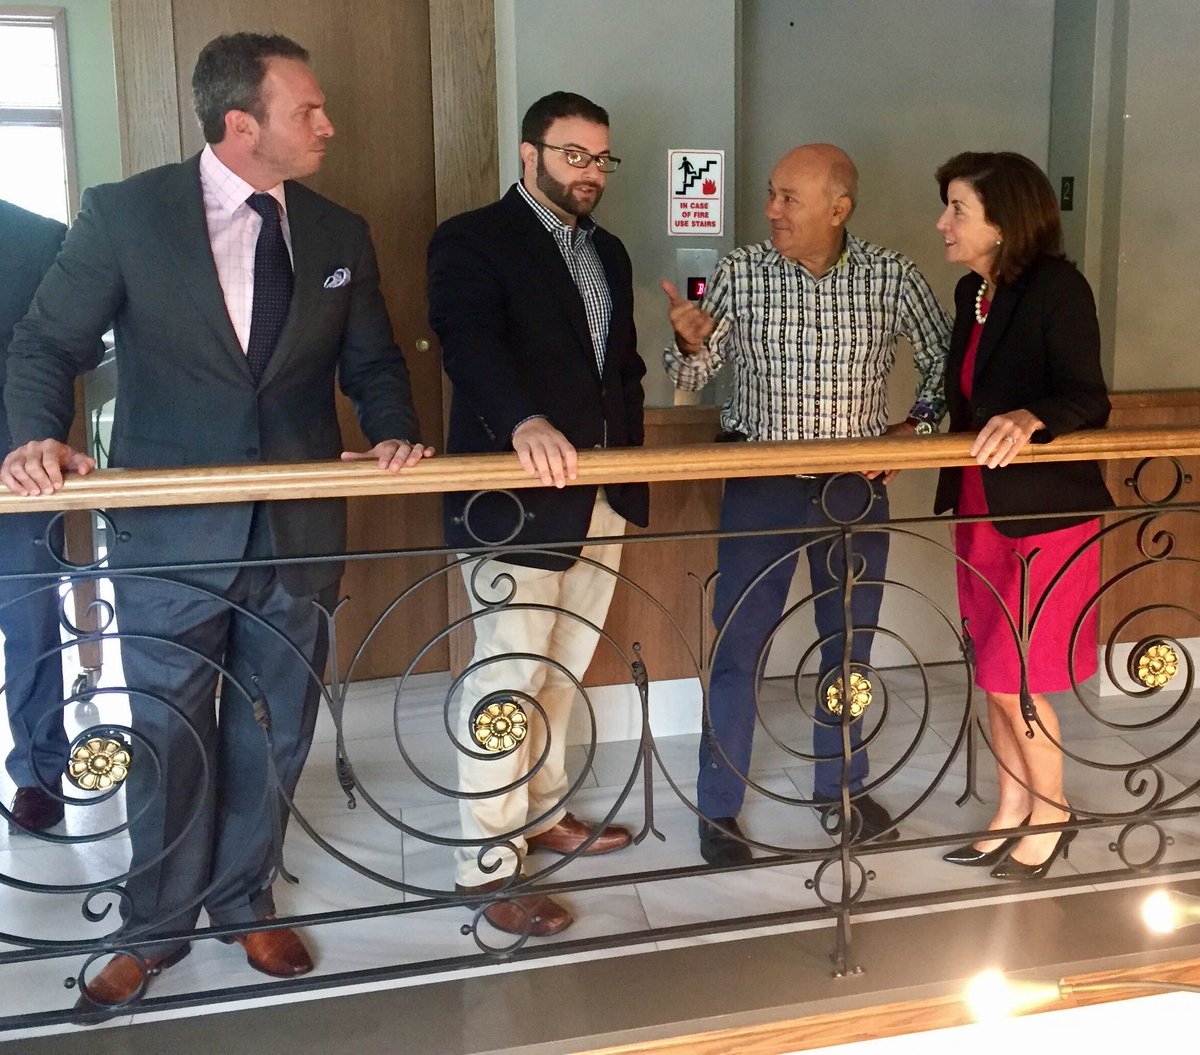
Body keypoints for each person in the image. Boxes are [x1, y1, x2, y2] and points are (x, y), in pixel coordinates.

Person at [2, 33, 430, 1014]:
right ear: (242, 123)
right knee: (165, 729)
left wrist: (394, 432)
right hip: (168, 532)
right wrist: (33, 437)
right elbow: (47, 343)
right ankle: (153, 926)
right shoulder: (126, 215)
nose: (328, 125)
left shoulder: (338, 232)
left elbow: (373, 362)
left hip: (297, 531)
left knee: (272, 726)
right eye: (307, 110)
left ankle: (244, 898)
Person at [663, 144, 951, 866]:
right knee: (738, 646)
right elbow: (696, 373)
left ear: (838, 208)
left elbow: (946, 362)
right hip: (760, 482)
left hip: (854, 489)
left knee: (849, 646)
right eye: (772, 194)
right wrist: (687, 343)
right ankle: (718, 805)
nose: (771, 210)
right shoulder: (741, 271)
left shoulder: (892, 275)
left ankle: (840, 789)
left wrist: (915, 428)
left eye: (788, 197)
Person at [428, 91, 648, 936]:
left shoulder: (608, 251)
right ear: (530, 155)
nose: (591, 172)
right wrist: (523, 419)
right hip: (513, 498)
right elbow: (467, 341)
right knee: (507, 677)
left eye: (600, 158)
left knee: (561, 667)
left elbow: (620, 370)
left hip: (601, 494)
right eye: (572, 154)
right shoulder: (473, 238)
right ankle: (486, 865)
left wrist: (629, 464)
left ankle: (544, 811)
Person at [933, 152, 1111, 880]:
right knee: (992, 670)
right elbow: (963, 401)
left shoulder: (1058, 288)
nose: (942, 223)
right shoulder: (972, 292)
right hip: (979, 504)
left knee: (1019, 676)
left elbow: (1087, 397)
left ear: (1004, 222)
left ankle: (1054, 812)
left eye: (958, 209)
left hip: (1045, 514)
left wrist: (1032, 416)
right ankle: (1012, 808)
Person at [0, 198, 70, 833]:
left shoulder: (38, 239)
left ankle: (39, 772)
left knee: (31, 625)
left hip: (16, 474)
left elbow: (71, 351)